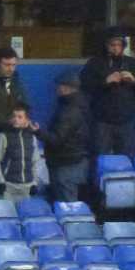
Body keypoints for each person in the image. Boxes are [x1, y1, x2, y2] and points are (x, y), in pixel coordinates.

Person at [81, 28, 135, 158]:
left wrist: (134, 80)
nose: (115, 48)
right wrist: (105, 81)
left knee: (126, 158)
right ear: (106, 45)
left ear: (123, 46)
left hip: (126, 120)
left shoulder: (133, 63)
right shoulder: (95, 63)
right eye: (112, 45)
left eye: (119, 45)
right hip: (102, 120)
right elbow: (85, 85)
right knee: (100, 157)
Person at [40, 70, 91, 204]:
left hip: (66, 163)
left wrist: (37, 131)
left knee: (67, 206)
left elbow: (57, 139)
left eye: (59, 85)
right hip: (73, 160)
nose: (57, 88)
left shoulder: (70, 110)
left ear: (66, 87)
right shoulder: (78, 105)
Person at [0, 106, 48, 203]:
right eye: (13, 116)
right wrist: (0, 180)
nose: (16, 119)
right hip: (9, 186)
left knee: (26, 214)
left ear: (27, 120)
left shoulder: (32, 137)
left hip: (28, 187)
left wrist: (35, 182)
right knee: (9, 216)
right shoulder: (3, 136)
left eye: (20, 117)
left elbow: (36, 161)